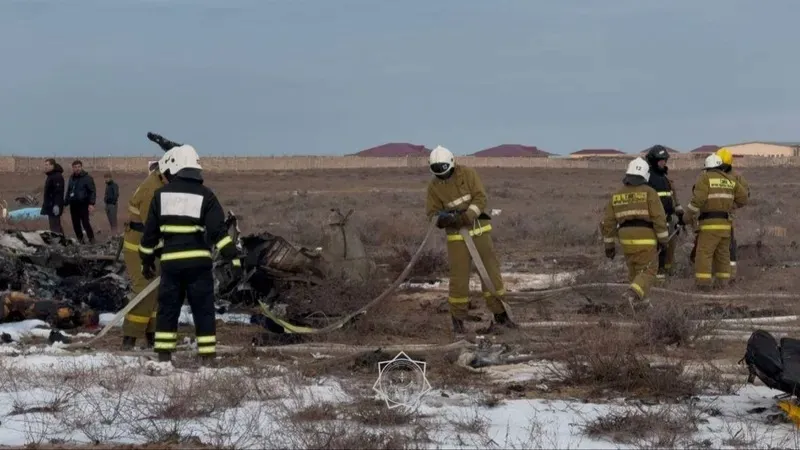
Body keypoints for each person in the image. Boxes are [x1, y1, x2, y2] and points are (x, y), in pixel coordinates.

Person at [139, 145, 241, 364]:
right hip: (199, 265)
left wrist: (146, 261)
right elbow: (218, 233)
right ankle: (207, 357)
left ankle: (164, 356)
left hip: (171, 265)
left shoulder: (160, 195)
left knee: (168, 309)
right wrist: (233, 257)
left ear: (174, 167)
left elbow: (149, 236)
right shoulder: (207, 195)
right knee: (203, 310)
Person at [425, 145, 516, 339]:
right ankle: (457, 321)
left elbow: (480, 197)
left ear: (452, 164)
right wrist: (443, 219)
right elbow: (432, 213)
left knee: (490, 274)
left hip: (479, 231)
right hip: (457, 238)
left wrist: (467, 216)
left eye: (445, 171)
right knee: (459, 279)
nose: (443, 176)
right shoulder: (434, 187)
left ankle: (501, 316)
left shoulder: (468, 174)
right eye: (438, 173)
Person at [601, 157, 669, 311]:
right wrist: (664, 240)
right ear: (645, 175)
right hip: (645, 237)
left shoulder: (617, 195)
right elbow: (659, 218)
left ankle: (641, 304)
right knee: (649, 270)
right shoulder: (649, 192)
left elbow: (608, 223)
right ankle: (631, 295)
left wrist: (609, 245)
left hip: (625, 238)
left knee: (634, 272)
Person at [120, 160, 169, 350]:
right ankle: (130, 337)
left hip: (151, 245)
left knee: (156, 292)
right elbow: (153, 226)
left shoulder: (160, 184)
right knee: (144, 290)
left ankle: (153, 335)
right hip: (140, 246)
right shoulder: (153, 190)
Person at [683, 154, 748, 290]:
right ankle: (723, 284)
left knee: (704, 253)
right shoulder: (730, 180)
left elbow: (698, 201)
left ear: (707, 168)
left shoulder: (705, 178)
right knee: (723, 255)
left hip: (709, 225)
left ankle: (703, 284)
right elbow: (743, 198)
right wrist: (730, 206)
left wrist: (686, 218)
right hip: (725, 226)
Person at [643, 145, 684, 283]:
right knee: (658, 251)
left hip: (668, 219)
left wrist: (679, 213)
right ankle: (656, 279)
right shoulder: (648, 178)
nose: (664, 163)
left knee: (668, 249)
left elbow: (672, 197)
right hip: (654, 222)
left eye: (665, 160)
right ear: (653, 160)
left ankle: (667, 273)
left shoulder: (665, 178)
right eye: (661, 160)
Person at [716, 147, 750, 281]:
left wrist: (732, 206)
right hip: (713, 216)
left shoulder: (736, 177)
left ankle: (731, 273)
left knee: (728, 244)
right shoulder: (711, 175)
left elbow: (745, 195)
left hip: (726, 218)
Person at [65, 160, 96, 244]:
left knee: (85, 223)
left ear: (81, 167)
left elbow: (92, 191)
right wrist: (65, 202)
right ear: (73, 168)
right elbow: (69, 191)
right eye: (75, 167)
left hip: (83, 204)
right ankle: (81, 241)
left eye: (79, 167)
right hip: (73, 205)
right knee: (76, 224)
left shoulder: (87, 178)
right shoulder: (71, 178)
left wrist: (91, 203)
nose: (77, 169)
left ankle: (92, 240)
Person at [41, 158, 65, 234]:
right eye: (45, 165)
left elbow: (59, 192)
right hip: (50, 204)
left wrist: (57, 205)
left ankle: (59, 243)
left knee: (55, 227)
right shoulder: (51, 176)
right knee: (54, 225)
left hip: (54, 206)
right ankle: (62, 242)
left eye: (47, 165)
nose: (45, 167)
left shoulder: (57, 176)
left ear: (52, 165)